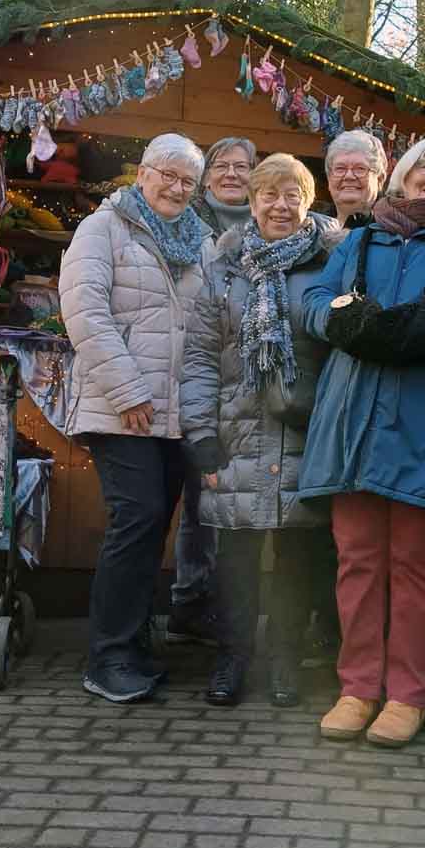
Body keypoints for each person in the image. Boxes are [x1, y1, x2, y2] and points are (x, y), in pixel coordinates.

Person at [300, 134, 425, 747]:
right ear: (402, 176)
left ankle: (407, 695)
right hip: (351, 422)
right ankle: (358, 687)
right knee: (357, 560)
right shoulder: (359, 240)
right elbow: (312, 302)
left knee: (415, 565)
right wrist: (338, 319)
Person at [181, 153, 344, 707]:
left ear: (308, 203)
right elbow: (200, 356)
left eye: (292, 195)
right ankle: (232, 659)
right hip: (237, 432)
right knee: (236, 559)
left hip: (305, 432)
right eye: (269, 195)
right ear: (251, 203)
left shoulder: (331, 263)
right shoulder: (224, 269)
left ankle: (285, 662)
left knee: (299, 558)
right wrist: (201, 433)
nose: (281, 206)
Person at [60, 133, 213, 703]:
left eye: (187, 181)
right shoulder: (103, 228)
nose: (176, 188)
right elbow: (84, 312)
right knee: (138, 516)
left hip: (177, 412)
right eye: (167, 175)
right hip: (120, 408)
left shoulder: (201, 241)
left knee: (154, 525)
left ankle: (135, 643)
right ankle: (110, 658)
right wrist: (127, 389)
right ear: (143, 173)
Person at [168, 136, 258, 644]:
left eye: (241, 166)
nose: (231, 174)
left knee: (235, 506)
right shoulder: (185, 222)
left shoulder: (266, 226)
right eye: (221, 165)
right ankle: (189, 601)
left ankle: (230, 612)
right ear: (205, 177)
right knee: (198, 502)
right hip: (195, 377)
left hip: (247, 392)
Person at [324, 129, 387, 227]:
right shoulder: (314, 230)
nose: (349, 176)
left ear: (380, 180)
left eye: (360, 169)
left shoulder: (394, 231)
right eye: (340, 168)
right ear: (329, 179)